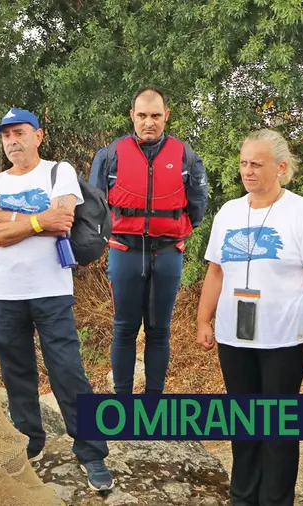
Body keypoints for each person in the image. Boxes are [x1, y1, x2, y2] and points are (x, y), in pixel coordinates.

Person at [0, 107, 113, 491]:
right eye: (5, 136)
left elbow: (63, 218)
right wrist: (38, 221)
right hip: (4, 293)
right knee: (17, 374)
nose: (12, 141)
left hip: (51, 290)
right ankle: (29, 443)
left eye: (19, 132)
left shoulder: (59, 171)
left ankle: (91, 453)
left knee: (68, 373)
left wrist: (9, 217)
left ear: (38, 135)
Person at [196, 129, 303, 506]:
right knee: (242, 425)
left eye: (257, 163)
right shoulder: (229, 212)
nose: (248, 171)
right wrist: (203, 320)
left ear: (281, 167)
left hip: (285, 340)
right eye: (243, 163)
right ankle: (242, 498)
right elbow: (216, 272)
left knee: (276, 429)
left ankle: (275, 500)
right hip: (234, 338)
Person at [89, 86, 209, 395]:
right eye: (142, 115)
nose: (149, 123)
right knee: (125, 329)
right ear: (132, 116)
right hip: (125, 251)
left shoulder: (185, 155)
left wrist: (177, 231)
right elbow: (94, 205)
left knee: (159, 330)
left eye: (156, 116)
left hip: (167, 253)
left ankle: (154, 401)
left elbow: (197, 204)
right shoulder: (110, 155)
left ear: (166, 116)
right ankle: (123, 400)